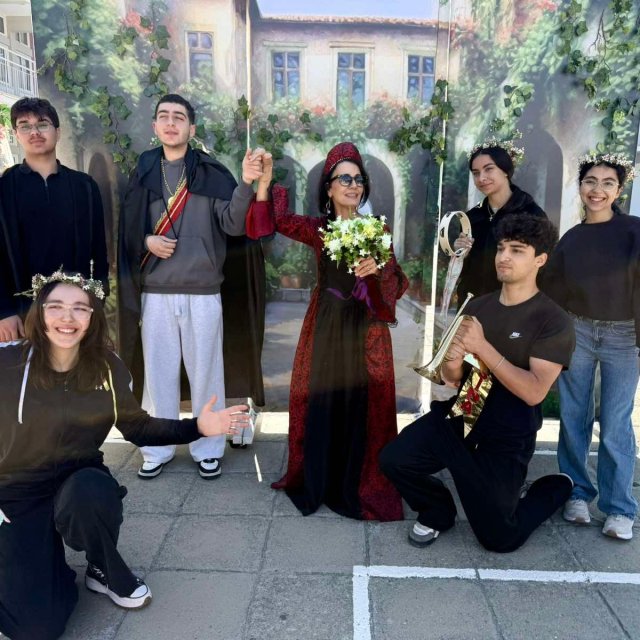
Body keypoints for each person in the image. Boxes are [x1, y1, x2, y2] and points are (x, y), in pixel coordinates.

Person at [0, 270, 250, 640]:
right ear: (39, 312)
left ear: (92, 317)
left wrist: (198, 426)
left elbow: (138, 427)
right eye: (55, 307)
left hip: (78, 483)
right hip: (16, 493)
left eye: (80, 308)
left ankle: (102, 568)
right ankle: (43, 566)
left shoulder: (107, 367)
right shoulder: (7, 364)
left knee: (91, 492)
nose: (67, 317)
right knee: (36, 628)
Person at [380, 215, 575, 552]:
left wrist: (483, 347)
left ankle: (553, 488)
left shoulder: (553, 320)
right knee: (394, 459)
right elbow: (453, 379)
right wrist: (453, 361)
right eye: (501, 248)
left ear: (540, 260)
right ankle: (437, 510)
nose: (504, 257)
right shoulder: (478, 305)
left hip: (510, 428)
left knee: (500, 538)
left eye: (517, 250)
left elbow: (534, 392)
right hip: (467, 408)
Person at [118, 93, 269, 480]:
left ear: (192, 128)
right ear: (155, 126)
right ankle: (158, 447)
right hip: (156, 293)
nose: (171, 123)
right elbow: (128, 230)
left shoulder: (211, 172)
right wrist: (147, 241)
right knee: (158, 376)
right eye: (164, 116)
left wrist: (246, 183)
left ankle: (209, 447)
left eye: (179, 117)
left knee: (206, 374)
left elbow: (233, 224)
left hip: (203, 292)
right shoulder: (143, 170)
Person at [268, 142, 408, 521]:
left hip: (366, 329)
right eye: (344, 179)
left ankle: (356, 481)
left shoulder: (377, 230)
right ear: (328, 188)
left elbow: (396, 282)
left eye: (358, 179)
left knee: (363, 404)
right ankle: (322, 478)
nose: (353, 185)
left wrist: (378, 271)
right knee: (324, 400)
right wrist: (266, 183)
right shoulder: (319, 230)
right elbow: (280, 220)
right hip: (327, 326)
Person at [543, 153, 640, 541]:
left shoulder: (634, 230)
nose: (597, 190)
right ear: (580, 186)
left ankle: (619, 508)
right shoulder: (572, 238)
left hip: (624, 337)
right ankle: (577, 493)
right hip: (578, 332)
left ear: (618, 190)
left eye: (607, 183)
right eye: (590, 181)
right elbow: (551, 287)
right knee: (573, 414)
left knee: (616, 422)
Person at [0, 97, 109, 342]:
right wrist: (3, 310)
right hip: (21, 313)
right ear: (16, 134)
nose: (35, 132)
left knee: (75, 367)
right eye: (25, 126)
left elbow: (99, 252)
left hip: (74, 310)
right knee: (25, 368)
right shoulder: (4, 187)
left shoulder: (84, 186)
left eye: (42, 124)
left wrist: (97, 301)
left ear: (57, 132)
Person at [455, 137, 546, 303]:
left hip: (513, 306)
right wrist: (461, 255)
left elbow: (541, 269)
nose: (481, 178)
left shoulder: (531, 214)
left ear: (505, 171)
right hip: (471, 305)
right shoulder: (471, 218)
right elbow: (465, 270)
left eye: (488, 169)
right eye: (476, 173)